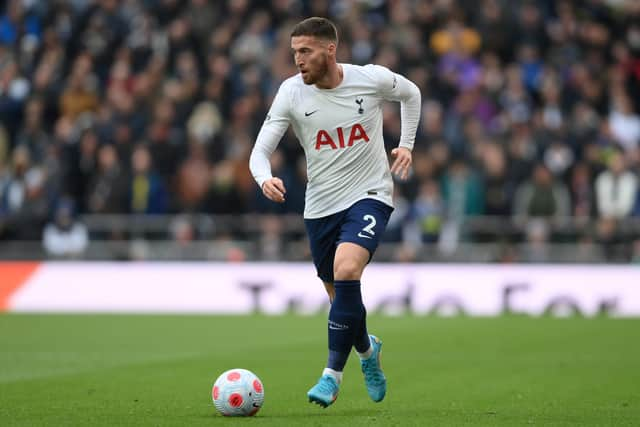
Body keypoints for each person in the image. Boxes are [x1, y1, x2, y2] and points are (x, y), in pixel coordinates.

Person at [249, 17, 421, 407]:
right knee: (340, 296)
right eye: (294, 52)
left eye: (305, 51)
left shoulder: (370, 79)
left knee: (347, 270)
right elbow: (260, 151)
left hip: (370, 194)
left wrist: (406, 144)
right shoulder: (291, 93)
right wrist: (264, 178)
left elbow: (411, 94)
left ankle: (331, 376)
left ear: (330, 49)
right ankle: (367, 351)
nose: (298, 60)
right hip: (320, 206)